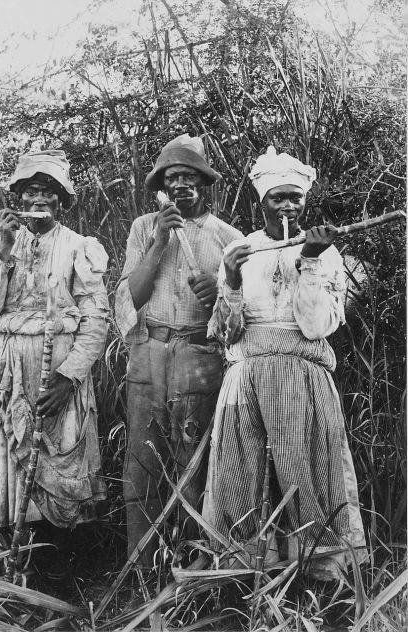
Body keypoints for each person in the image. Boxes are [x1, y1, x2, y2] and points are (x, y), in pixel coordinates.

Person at [202, 146, 366, 580]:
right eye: (278, 198)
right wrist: (232, 280)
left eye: (296, 197)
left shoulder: (327, 253)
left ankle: (319, 574)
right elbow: (225, 333)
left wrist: (310, 261)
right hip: (247, 378)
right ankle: (244, 574)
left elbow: (317, 327)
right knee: (243, 469)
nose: (288, 206)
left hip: (303, 375)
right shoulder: (241, 250)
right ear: (262, 202)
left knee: (307, 467)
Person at [0, 150, 109, 575]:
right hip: (7, 368)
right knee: (9, 454)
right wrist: (7, 250)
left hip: (59, 368)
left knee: (61, 453)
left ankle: (63, 563)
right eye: (31, 191)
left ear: (62, 201)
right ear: (17, 198)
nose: (39, 199)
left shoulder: (79, 247)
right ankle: (14, 558)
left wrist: (70, 376)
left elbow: (97, 316)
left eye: (49, 192)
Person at [115, 134, 243, 569]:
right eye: (173, 179)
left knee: (195, 457)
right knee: (143, 460)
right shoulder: (142, 227)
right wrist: (159, 241)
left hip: (198, 355)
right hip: (148, 350)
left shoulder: (229, 238)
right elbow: (131, 297)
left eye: (190, 178)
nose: (181, 186)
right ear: (161, 187)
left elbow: (236, 324)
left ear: (203, 185)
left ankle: (194, 568)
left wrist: (218, 295)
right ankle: (142, 565)